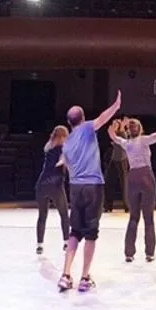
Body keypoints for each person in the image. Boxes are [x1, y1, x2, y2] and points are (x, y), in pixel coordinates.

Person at [57, 91, 123, 292]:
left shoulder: (67, 143)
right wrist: (116, 106)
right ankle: (84, 278)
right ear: (83, 118)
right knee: (91, 234)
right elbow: (102, 118)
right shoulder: (87, 128)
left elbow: (67, 166)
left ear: (69, 123)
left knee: (75, 232)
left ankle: (66, 275)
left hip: (75, 187)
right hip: (93, 186)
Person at [109, 117, 156, 262]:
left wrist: (113, 129)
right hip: (146, 177)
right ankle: (150, 253)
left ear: (129, 131)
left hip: (133, 177)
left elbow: (114, 137)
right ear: (140, 129)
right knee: (148, 217)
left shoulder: (126, 143)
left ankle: (129, 253)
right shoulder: (144, 140)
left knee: (133, 216)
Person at [35, 126, 71, 255]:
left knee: (42, 215)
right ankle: (66, 242)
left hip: (42, 184)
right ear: (62, 137)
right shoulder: (63, 149)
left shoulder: (48, 146)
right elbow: (62, 160)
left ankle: (39, 245)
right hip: (55, 185)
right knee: (64, 214)